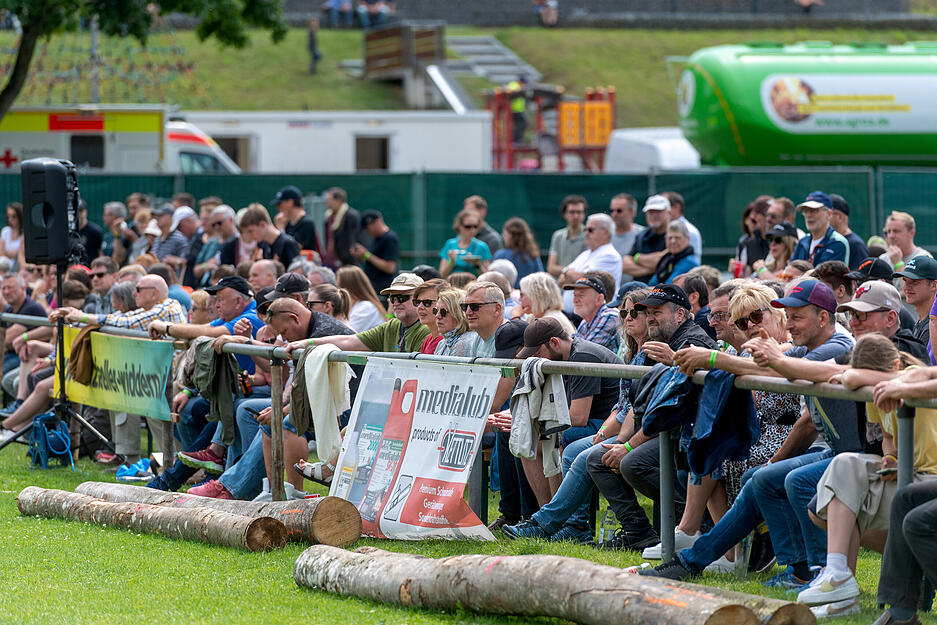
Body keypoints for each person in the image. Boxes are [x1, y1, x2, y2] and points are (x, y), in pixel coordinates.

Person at [643, 280, 854, 584]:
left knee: (768, 474)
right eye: (742, 322)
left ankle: (806, 570)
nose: (789, 324)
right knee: (725, 458)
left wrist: (712, 359)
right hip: (825, 447)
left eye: (796, 317)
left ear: (823, 318)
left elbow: (780, 373)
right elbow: (773, 363)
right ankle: (707, 556)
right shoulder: (807, 344)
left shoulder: (838, 345)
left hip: (838, 451)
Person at [800, 334, 934, 618]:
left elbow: (850, 378)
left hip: (929, 480)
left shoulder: (911, 375)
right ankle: (838, 577)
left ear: (894, 365)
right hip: (908, 477)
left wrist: (854, 377)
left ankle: (863, 595)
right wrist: (892, 458)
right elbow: (889, 439)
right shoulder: (877, 389)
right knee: (844, 465)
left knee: (825, 493)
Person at [502, 288, 651, 543]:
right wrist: (519, 418)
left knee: (552, 438)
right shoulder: (572, 356)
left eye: (537, 354)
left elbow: (578, 417)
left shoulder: (581, 356)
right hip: (610, 423)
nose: (536, 361)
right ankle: (547, 517)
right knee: (529, 439)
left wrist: (531, 423)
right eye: (624, 313)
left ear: (554, 343)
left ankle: (563, 523)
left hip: (607, 425)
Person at [588, 285, 716, 551]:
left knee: (632, 463)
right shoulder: (660, 345)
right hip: (667, 431)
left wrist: (628, 446)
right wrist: (621, 442)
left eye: (657, 312)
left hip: (689, 435)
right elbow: (639, 406)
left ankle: (693, 523)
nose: (650, 318)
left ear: (679, 314)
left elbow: (668, 411)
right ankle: (638, 531)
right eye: (647, 313)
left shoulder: (690, 343)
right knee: (597, 457)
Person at [285, 272, 429, 355]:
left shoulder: (427, 328)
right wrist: (307, 342)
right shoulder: (392, 326)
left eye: (402, 297)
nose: (396, 303)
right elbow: (349, 341)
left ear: (419, 298)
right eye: (393, 298)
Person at [558, 213, 622, 312]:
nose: (586, 233)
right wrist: (572, 275)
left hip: (598, 314)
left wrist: (569, 274)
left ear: (606, 232)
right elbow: (561, 280)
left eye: (590, 230)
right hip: (578, 315)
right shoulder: (585, 254)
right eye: (585, 230)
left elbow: (587, 282)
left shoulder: (610, 255)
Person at [564, 272, 620, 353]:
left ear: (599, 299)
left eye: (581, 295)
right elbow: (571, 346)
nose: (575, 300)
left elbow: (585, 352)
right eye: (575, 295)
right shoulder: (586, 321)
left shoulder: (610, 316)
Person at [791, 191, 849, 267]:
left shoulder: (838, 242)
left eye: (814, 210)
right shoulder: (803, 241)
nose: (808, 215)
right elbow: (789, 269)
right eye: (805, 211)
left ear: (829, 214)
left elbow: (822, 273)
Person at [621, 194, 670, 284]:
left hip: (663, 289)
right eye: (651, 212)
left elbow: (666, 262)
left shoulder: (675, 235)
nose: (654, 215)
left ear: (668, 213)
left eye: (658, 212)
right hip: (639, 289)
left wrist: (637, 258)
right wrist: (656, 268)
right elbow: (625, 265)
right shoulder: (642, 235)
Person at [513, 271, 576, 336]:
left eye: (522, 295)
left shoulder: (549, 321)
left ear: (536, 296)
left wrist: (515, 318)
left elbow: (521, 340)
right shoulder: (533, 316)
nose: (519, 299)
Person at [351, 209, 399, 295]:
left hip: (384, 290)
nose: (367, 231)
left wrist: (366, 255)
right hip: (375, 288)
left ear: (375, 222)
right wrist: (362, 255)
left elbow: (390, 267)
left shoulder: (390, 238)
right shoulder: (376, 238)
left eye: (367, 228)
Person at [894, 255, 937, 348]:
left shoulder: (933, 326)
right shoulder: (924, 321)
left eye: (914, 282)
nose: (906, 287)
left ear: (934, 285)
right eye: (905, 280)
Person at [239, 204, 300, 269]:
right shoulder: (264, 245)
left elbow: (297, 272)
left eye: (251, 231)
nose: (250, 236)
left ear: (263, 224)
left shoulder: (288, 243)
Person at [439, 207, 492, 278]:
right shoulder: (450, 244)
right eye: (468, 227)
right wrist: (451, 261)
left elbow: (487, 276)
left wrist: (477, 265)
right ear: (459, 226)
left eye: (475, 226)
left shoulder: (482, 246)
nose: (472, 230)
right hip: (453, 283)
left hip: (473, 283)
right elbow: (442, 274)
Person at [461, 281, 506, 357]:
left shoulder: (507, 339)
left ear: (497, 309)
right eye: (464, 307)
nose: (468, 312)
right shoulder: (478, 338)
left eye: (475, 306)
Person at [493, 217, 542, 286]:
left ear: (511, 236)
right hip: (528, 292)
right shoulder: (532, 255)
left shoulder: (500, 255)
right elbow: (540, 278)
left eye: (505, 234)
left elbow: (493, 278)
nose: (503, 237)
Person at [336, 265, 386, 332]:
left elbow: (345, 333)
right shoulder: (355, 306)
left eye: (339, 286)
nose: (337, 290)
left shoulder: (366, 307)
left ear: (348, 287)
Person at [547, 195, 587, 278]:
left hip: (583, 284)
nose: (575, 216)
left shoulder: (590, 235)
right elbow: (551, 268)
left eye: (579, 212)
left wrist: (565, 271)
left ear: (584, 214)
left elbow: (589, 268)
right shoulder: (558, 236)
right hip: (561, 285)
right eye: (572, 212)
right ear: (564, 214)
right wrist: (567, 271)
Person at [273, 185, 319, 254]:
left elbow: (293, 248)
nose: (278, 208)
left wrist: (281, 231)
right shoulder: (287, 223)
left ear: (290, 202)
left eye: (280, 204)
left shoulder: (306, 223)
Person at [649, 221, 698, 286]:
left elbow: (669, 287)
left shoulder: (689, 262)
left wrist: (652, 290)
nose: (673, 241)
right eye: (670, 238)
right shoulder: (667, 259)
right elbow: (652, 283)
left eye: (677, 238)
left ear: (688, 239)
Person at [321, 187, 360, 268]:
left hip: (346, 261)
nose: (327, 202)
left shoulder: (350, 216)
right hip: (331, 260)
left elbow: (353, 239)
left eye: (329, 199)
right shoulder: (329, 216)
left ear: (339, 200)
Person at [829, 193, 869, 270]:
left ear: (840, 217)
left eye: (829, 214)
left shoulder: (856, 245)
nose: (825, 217)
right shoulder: (829, 241)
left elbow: (860, 274)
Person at [734, 195, 771, 275]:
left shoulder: (781, 239)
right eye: (766, 214)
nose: (769, 219)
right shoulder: (750, 243)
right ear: (756, 216)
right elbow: (748, 274)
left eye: (773, 215)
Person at [661, 191, 701, 265]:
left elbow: (691, 264)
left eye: (664, 207)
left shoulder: (690, 231)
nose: (673, 241)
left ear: (677, 207)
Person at [609, 194, 645, 275]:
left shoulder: (642, 235)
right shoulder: (605, 233)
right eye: (612, 211)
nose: (614, 214)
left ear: (632, 212)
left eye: (619, 211)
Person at [411, 278, 449, 354]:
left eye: (427, 302)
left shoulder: (446, 341)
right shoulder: (428, 339)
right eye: (417, 302)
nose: (420, 307)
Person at [433, 289, 472, 356]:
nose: (437, 316)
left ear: (458, 314)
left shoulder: (466, 342)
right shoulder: (442, 343)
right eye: (435, 311)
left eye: (443, 312)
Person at [76, 199, 104, 263]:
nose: (78, 214)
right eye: (76, 211)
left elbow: (101, 253)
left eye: (80, 211)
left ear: (85, 212)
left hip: (90, 267)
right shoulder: (68, 232)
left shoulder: (95, 231)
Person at [0, 201, 23, 271]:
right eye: (8, 216)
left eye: (14, 216)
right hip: (4, 267)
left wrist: (7, 253)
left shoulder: (24, 233)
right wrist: (14, 253)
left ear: (19, 216)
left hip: (19, 267)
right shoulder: (5, 231)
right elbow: (1, 252)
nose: (10, 219)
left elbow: (21, 254)